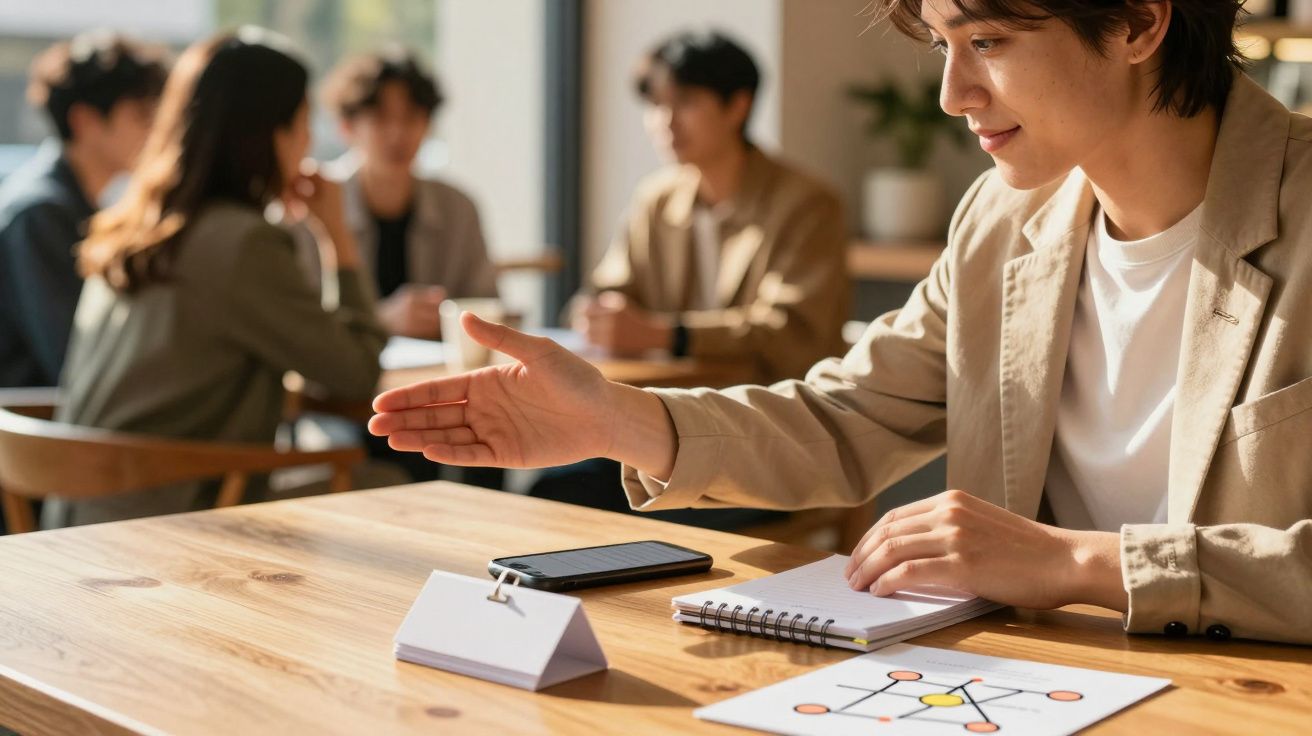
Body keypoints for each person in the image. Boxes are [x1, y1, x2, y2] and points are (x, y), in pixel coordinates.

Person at [372, 0, 1312, 645]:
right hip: (1036, 680)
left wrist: (1072, 562)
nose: (953, 94)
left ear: (1140, 21)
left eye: (987, 40)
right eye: (942, 45)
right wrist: (619, 418)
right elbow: (846, 416)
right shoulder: (1002, 222)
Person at [50, 29, 389, 527]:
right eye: (302, 123)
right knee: (390, 483)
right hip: (171, 527)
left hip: (75, 520)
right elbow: (357, 373)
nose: (309, 143)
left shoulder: (131, 225)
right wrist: (337, 237)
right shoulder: (243, 242)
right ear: (269, 133)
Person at [574, 30, 849, 385]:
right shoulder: (657, 199)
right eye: (656, 104)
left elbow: (791, 331)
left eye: (685, 102)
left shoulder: (807, 204)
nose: (666, 121)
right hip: (671, 399)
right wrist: (599, 315)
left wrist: (668, 335)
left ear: (738, 106)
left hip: (774, 405)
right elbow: (611, 288)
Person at [0, 31, 168, 388]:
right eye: (142, 116)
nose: (156, 132)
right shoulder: (39, 213)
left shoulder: (78, 204)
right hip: (31, 417)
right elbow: (72, 358)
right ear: (85, 121)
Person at [312, 48, 498, 339]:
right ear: (347, 127)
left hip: (438, 366)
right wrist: (381, 320)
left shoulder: (458, 208)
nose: (397, 133)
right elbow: (297, 323)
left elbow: (486, 305)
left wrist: (451, 320)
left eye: (411, 117)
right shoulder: (315, 203)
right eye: (380, 118)